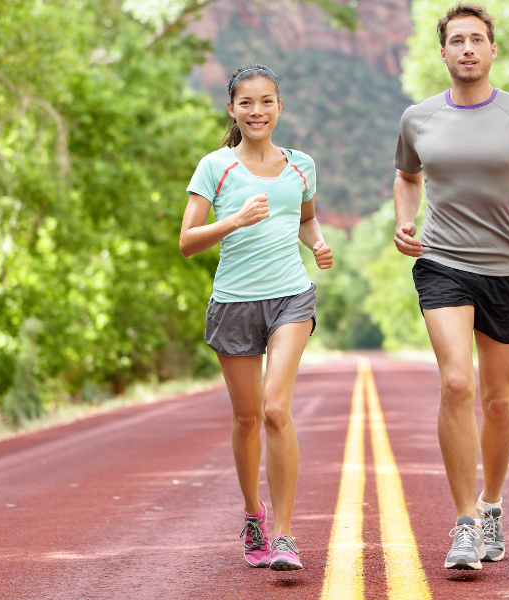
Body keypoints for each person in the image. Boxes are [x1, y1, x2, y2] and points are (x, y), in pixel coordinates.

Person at [393, 3, 509, 571]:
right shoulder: (418, 119)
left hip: (508, 272)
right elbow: (407, 175)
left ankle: (493, 504)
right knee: (456, 383)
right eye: (457, 40)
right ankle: (466, 522)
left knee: (499, 401)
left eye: (477, 39)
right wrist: (405, 219)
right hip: (443, 264)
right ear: (443, 52)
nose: (468, 48)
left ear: (492, 51)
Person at [179, 63, 332, 571]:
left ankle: (285, 536)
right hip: (234, 303)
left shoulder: (301, 164)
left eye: (266, 101)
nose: (256, 111)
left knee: (273, 409)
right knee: (246, 419)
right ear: (232, 109)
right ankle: (253, 515)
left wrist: (320, 243)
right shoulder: (215, 166)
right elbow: (186, 243)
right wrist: (235, 220)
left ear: (279, 107)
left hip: (291, 295)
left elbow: (306, 219)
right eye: (246, 102)